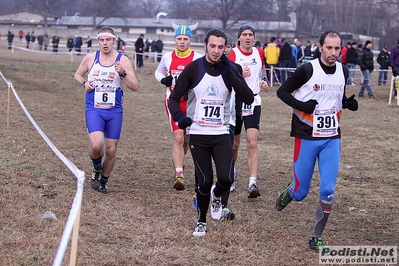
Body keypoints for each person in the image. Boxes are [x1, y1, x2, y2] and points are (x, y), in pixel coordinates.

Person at [275, 30, 358, 251]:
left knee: (327, 190)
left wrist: (347, 103)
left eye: (337, 48)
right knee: (301, 193)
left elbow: (336, 97)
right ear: (320, 47)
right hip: (306, 136)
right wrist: (302, 106)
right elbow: (282, 92)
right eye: (329, 48)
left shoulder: (344, 70)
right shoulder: (307, 70)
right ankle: (290, 192)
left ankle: (316, 238)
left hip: (331, 138)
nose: (333, 53)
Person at [168, 29, 254, 237]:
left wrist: (233, 77)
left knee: (226, 178)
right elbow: (173, 99)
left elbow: (249, 97)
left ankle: (217, 197)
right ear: (205, 45)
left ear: (226, 48)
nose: (216, 51)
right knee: (204, 181)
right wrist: (180, 118)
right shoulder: (193, 69)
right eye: (212, 46)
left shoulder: (233, 68)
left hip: (222, 132)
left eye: (220, 47)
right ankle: (201, 220)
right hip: (198, 133)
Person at [74, 26, 138, 194]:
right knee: (96, 145)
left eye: (108, 40)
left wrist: (122, 73)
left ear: (113, 41)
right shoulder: (91, 58)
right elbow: (78, 74)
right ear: (98, 41)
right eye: (101, 40)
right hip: (94, 108)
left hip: (114, 110)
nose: (105, 43)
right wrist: (84, 83)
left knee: (110, 150)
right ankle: (96, 169)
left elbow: (134, 86)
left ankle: (103, 180)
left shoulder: (122, 60)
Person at [154, 22, 201, 190]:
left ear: (190, 40)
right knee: (178, 137)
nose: (182, 42)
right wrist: (163, 80)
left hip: (191, 103)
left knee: (187, 138)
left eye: (185, 39)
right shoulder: (168, 57)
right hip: (173, 101)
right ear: (175, 40)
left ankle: (181, 159)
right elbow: (158, 72)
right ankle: (179, 174)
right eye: (179, 38)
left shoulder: (197, 57)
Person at [228, 24, 269, 198]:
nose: (247, 37)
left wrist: (264, 80)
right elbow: (226, 75)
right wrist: (238, 75)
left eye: (250, 34)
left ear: (254, 37)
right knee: (234, 144)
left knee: (252, 142)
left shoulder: (260, 53)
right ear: (239, 38)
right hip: (235, 100)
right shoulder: (233, 54)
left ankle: (252, 183)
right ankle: (230, 177)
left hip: (253, 100)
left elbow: (262, 69)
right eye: (244, 34)